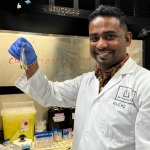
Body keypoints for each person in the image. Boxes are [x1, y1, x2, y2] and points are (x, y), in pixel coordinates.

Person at [8, 5, 150, 150]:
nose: (100, 45)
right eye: (94, 38)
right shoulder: (86, 81)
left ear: (127, 39)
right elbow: (48, 93)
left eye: (110, 36)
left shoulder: (145, 85)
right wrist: (31, 63)